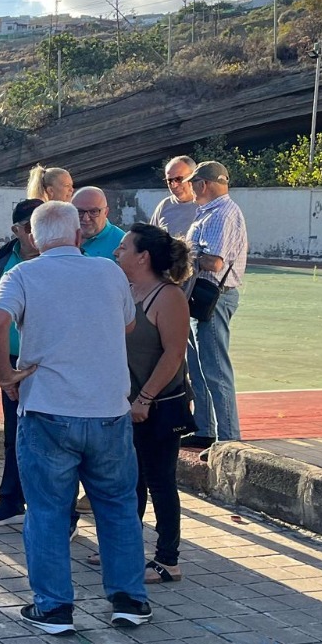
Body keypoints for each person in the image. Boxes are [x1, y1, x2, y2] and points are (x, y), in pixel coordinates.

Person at [0, 200, 152, 634]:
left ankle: (54, 607)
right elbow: (128, 325)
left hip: (48, 411)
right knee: (117, 507)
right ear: (78, 235)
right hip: (108, 411)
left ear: (35, 238)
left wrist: (5, 374)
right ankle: (129, 600)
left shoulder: (22, 274)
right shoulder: (109, 272)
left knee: (47, 511)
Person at [107, 224, 191, 582]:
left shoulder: (168, 297)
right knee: (130, 481)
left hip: (158, 406)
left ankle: (168, 560)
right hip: (125, 405)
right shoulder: (126, 290)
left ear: (143, 257)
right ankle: (127, 548)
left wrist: (144, 399)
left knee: (160, 481)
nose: (117, 252)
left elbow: (174, 354)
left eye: (124, 247)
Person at [0, 198, 41, 527]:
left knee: (53, 434)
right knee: (14, 433)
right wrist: (1, 366)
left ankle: (64, 513)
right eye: (29, 227)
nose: (35, 234)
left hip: (46, 362)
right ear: (16, 230)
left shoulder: (62, 259)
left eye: (41, 225)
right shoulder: (0, 262)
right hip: (11, 363)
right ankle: (11, 500)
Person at [183, 160, 248, 450]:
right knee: (199, 366)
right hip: (204, 295)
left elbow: (214, 262)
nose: (190, 189)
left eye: (192, 184)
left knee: (215, 368)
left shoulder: (220, 214)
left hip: (213, 295)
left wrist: (185, 253)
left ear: (203, 184)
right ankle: (206, 429)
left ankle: (228, 439)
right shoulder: (214, 211)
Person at [152, 155, 200, 238]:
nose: (174, 185)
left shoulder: (208, 206)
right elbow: (150, 239)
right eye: (169, 180)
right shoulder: (164, 206)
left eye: (178, 179)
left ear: (193, 176)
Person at [73, 186, 124, 260]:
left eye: (93, 212)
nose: (86, 218)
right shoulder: (60, 237)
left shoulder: (122, 244)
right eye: (79, 212)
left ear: (106, 212)